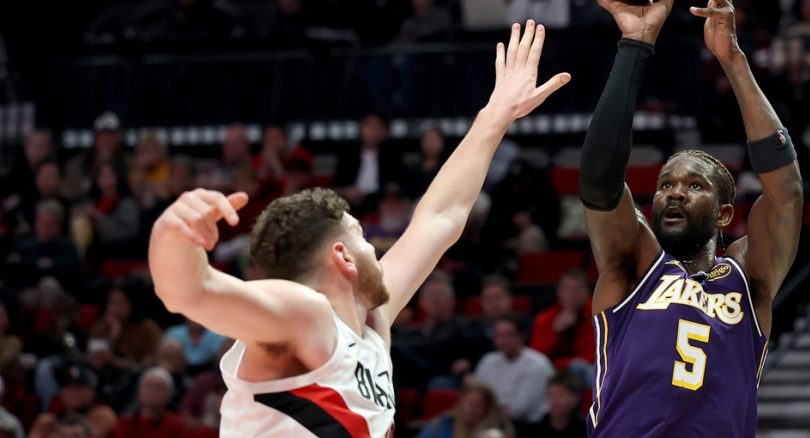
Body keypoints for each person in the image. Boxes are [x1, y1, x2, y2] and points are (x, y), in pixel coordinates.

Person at [147, 21, 568, 437]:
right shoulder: (305, 315)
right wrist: (171, 232)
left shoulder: (370, 328)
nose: (376, 249)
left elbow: (441, 217)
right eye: (362, 238)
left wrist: (495, 117)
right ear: (343, 257)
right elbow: (187, 291)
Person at [578, 1, 803, 436]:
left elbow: (787, 193)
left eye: (695, 185)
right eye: (665, 185)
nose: (676, 192)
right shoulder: (635, 264)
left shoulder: (748, 277)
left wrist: (732, 60)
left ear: (723, 214)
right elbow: (599, 180)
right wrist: (635, 44)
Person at [474, 314, 554, 423]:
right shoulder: (487, 361)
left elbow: (519, 409)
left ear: (522, 336)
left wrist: (488, 409)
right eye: (498, 335)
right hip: (491, 420)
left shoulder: (537, 365)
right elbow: (476, 396)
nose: (501, 340)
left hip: (527, 425)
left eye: (508, 335)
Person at [530, 269, 595, 370]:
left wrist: (557, 364)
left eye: (577, 290)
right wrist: (555, 332)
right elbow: (536, 356)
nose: (571, 295)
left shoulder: (597, 315)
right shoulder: (544, 318)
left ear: (587, 292)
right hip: (553, 371)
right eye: (566, 289)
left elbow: (594, 356)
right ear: (558, 291)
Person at [111, 367, 188, 438]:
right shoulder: (124, 424)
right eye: (148, 386)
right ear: (139, 392)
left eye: (159, 387)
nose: (152, 391)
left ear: (170, 394)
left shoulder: (177, 428)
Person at [418, 383, 516, 438]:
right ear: (460, 403)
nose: (471, 409)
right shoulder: (443, 423)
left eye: (477, 405)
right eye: (468, 403)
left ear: (487, 409)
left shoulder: (495, 431)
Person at [519, 371, 587, 438]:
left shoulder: (585, 431)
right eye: (551, 394)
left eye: (560, 395)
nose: (554, 400)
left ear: (575, 398)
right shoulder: (532, 430)